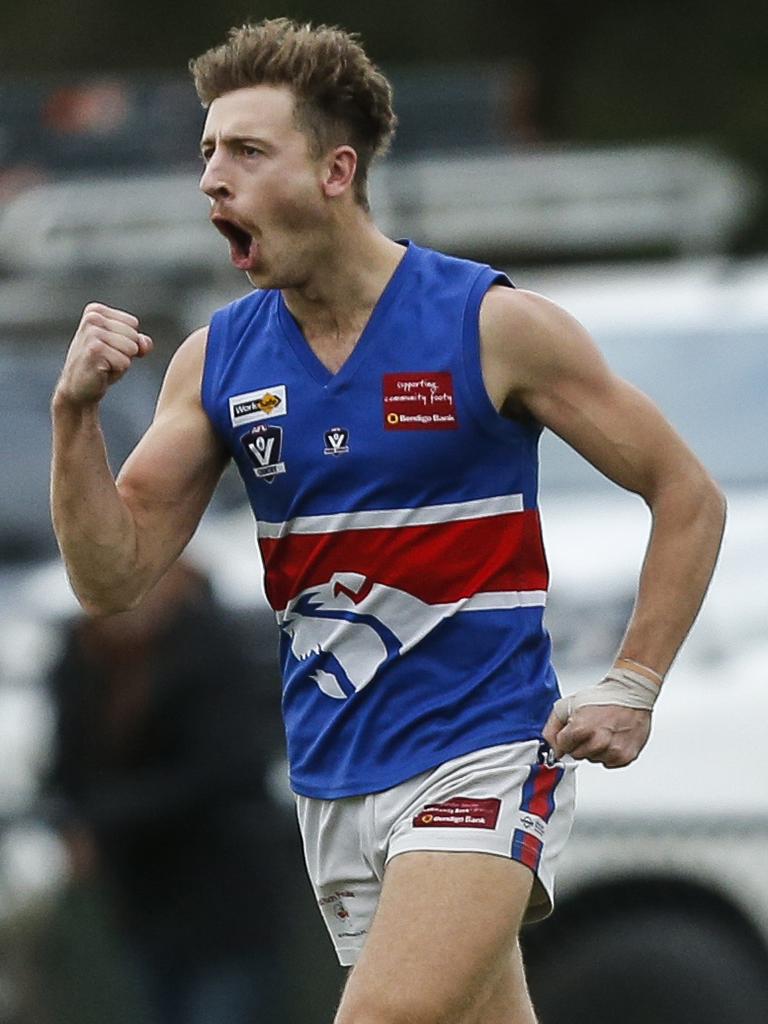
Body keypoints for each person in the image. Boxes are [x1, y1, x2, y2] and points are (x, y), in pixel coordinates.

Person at [50, 17, 726, 1024]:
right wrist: (76, 418)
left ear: (336, 170)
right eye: (205, 152)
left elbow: (687, 493)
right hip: (335, 779)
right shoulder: (218, 362)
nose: (210, 180)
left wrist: (634, 681)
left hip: (482, 756)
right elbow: (111, 576)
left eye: (245, 150)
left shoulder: (490, 325)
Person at [41, 559, 288, 1024]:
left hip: (221, 900)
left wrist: (101, 819)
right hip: (141, 900)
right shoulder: (82, 657)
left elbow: (225, 770)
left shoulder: (210, 650)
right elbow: (63, 767)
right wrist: (68, 820)